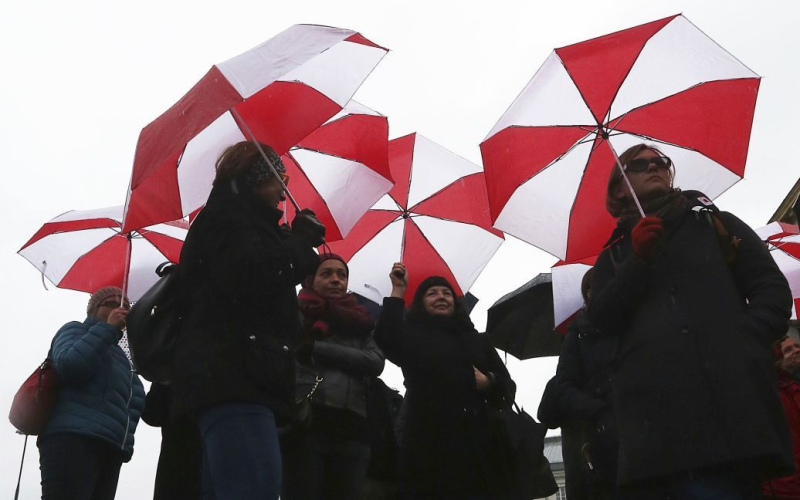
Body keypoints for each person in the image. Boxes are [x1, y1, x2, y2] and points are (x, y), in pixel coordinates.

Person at [586, 143, 794, 498]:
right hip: (655, 430)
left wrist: (747, 337)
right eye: (639, 164)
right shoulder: (613, 254)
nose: (654, 167)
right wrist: (637, 260)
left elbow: (770, 288)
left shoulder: (715, 222)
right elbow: (599, 322)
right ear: (619, 188)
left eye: (661, 162)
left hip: (730, 409)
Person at [171, 140, 325, 500]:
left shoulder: (247, 224)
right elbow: (254, 278)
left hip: (242, 380)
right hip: (235, 379)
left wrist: (289, 241)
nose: (284, 191)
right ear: (258, 179)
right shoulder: (227, 219)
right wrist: (300, 243)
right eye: (279, 178)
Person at [374, 263, 513, 499]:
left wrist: (489, 381)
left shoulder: (477, 340)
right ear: (421, 303)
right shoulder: (412, 338)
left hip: (476, 444)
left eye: (446, 293)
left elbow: (508, 387)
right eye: (432, 293)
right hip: (426, 444)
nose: (441, 297)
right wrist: (398, 290)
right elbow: (386, 339)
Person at [281, 252, 385, 500]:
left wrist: (318, 349)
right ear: (310, 280)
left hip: (353, 430)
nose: (336, 279)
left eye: (342, 274)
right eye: (326, 273)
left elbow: (375, 361)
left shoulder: (360, 321)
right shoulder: (296, 314)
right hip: (306, 425)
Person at [38, 286, 145, 500]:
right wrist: (108, 329)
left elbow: (133, 402)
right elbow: (71, 366)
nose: (119, 309)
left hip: (110, 447)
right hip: (72, 438)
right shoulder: (75, 330)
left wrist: (124, 443)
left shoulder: (124, 359)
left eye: (124, 306)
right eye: (111, 304)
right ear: (94, 309)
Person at [538, 268, 618, 500]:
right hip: (587, 459)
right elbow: (547, 413)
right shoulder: (577, 338)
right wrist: (599, 410)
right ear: (588, 294)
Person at [764, 331, 800, 499]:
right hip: (783, 488)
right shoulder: (769, 395)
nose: (797, 351)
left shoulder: (793, 388)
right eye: (788, 350)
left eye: (797, 346)